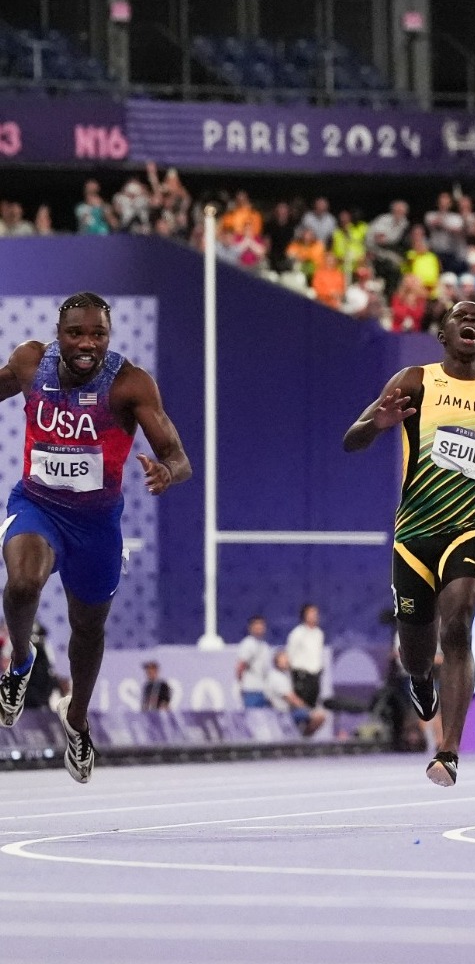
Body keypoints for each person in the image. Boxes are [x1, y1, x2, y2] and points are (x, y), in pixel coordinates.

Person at [0, 292, 191, 784]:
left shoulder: (129, 384)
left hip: (96, 526)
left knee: (88, 629)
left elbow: (178, 455)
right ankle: (21, 663)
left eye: (98, 335)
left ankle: (78, 719)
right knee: (22, 585)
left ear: (108, 336)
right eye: (77, 334)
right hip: (36, 505)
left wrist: (167, 473)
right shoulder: (29, 362)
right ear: (58, 334)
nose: (87, 344)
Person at [343, 300, 475, 787]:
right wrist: (377, 424)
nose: (471, 320)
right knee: (418, 653)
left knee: (460, 623)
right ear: (442, 335)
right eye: (459, 315)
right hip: (413, 535)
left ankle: (448, 751)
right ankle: (421, 681)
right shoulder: (414, 381)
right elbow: (352, 439)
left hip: (470, 526)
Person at [266, 649, 326, 737]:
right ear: (277, 662)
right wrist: (308, 710)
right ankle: (304, 740)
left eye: (287, 658)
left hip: (287, 711)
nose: (287, 661)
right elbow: (291, 699)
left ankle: (302, 739)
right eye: (283, 659)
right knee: (319, 716)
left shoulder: (283, 676)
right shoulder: (277, 678)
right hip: (282, 714)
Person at [285, 603, 326, 707]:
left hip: (315, 676)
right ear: (304, 615)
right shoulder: (297, 633)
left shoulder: (319, 633)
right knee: (301, 706)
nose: (314, 615)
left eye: (315, 613)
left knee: (313, 706)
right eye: (311, 613)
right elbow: (289, 654)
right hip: (301, 675)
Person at [235, 614, 271, 708]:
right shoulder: (248, 644)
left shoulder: (265, 646)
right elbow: (241, 666)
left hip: (263, 689)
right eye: (256, 625)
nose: (259, 628)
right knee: (251, 717)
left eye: (261, 625)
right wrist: (241, 685)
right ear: (251, 628)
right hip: (250, 689)